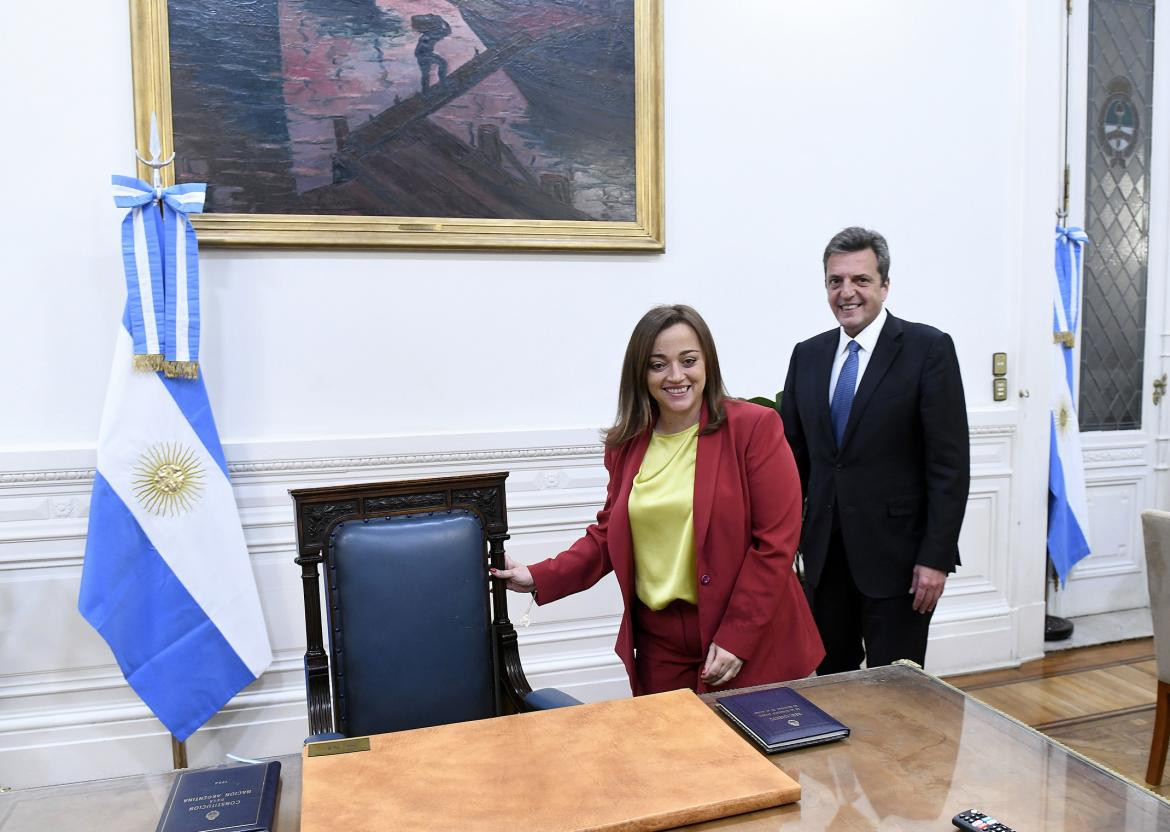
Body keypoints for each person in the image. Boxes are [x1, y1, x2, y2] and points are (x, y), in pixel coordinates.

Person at [492, 304, 823, 694]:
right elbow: (608, 536)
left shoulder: (754, 428)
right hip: (659, 646)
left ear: (708, 364)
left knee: (753, 755)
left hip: (750, 635)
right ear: (641, 373)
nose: (676, 376)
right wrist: (537, 576)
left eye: (688, 361)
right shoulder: (627, 444)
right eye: (658, 364)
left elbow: (774, 544)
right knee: (670, 754)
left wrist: (738, 636)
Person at [779, 227, 970, 674]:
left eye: (860, 280)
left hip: (900, 565)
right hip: (825, 561)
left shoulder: (928, 349)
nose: (847, 292)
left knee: (899, 691)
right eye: (835, 281)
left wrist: (935, 559)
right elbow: (792, 462)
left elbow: (949, 466)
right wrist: (781, 545)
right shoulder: (807, 355)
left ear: (884, 285)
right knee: (832, 685)